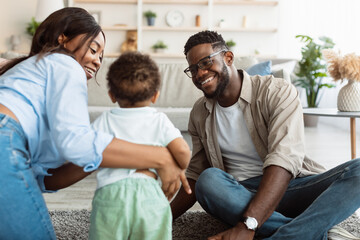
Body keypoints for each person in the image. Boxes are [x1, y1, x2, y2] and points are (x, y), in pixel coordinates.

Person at [0, 7, 190, 240]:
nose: (98, 61)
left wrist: (115, 157)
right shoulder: (64, 62)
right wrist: (160, 157)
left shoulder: (35, 72)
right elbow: (78, 144)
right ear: (64, 39)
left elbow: (44, 179)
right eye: (93, 49)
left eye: (101, 56)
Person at [170, 30, 360, 240]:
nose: (199, 74)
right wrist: (160, 216)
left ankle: (285, 233)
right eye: (193, 69)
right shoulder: (200, 112)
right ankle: (311, 231)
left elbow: (284, 160)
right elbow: (196, 177)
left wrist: (247, 225)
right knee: (209, 181)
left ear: (228, 58)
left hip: (292, 186)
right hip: (240, 195)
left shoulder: (277, 91)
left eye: (205, 63)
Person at [88, 52, 191, 240]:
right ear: (155, 95)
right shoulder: (159, 120)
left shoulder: (104, 120)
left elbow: (87, 150)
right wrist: (178, 166)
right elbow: (183, 150)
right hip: (149, 194)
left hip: (111, 195)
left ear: (111, 95)